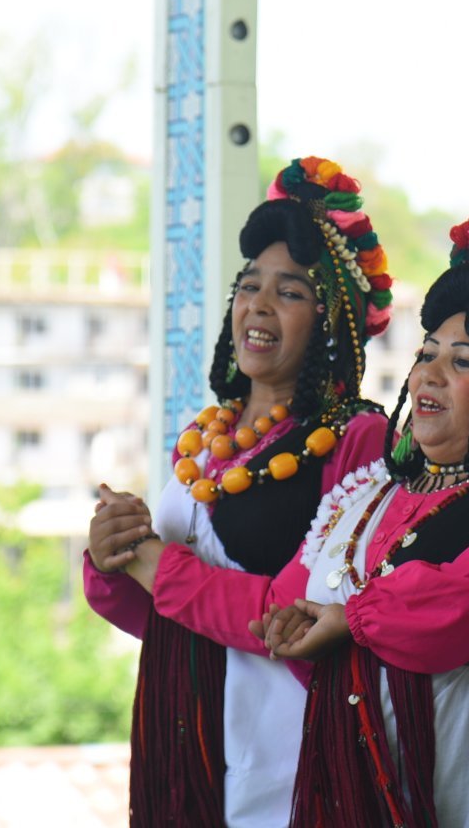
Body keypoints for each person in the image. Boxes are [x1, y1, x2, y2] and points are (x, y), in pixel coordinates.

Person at [120, 202, 469, 828]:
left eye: (463, 362)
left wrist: (347, 620)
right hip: (343, 788)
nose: (431, 373)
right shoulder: (370, 490)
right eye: (427, 353)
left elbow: (458, 611)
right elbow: (283, 607)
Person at [83, 156, 393, 827]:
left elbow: (302, 616)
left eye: (289, 291)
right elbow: (165, 619)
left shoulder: (357, 438)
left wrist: (151, 564)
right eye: (249, 284)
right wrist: (109, 560)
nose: (257, 302)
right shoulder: (204, 437)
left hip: (285, 755)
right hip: (183, 742)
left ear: (331, 319)